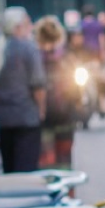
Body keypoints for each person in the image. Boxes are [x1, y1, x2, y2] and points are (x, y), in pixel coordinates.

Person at [0, 7, 46, 173]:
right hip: (27, 119)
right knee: (26, 171)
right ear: (17, 26)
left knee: (10, 170)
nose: (30, 27)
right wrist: (41, 110)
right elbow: (38, 85)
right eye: (27, 23)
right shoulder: (28, 48)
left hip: (4, 120)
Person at [33, 16, 79, 169]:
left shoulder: (35, 58)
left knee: (47, 161)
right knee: (65, 160)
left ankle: (49, 191)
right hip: (65, 116)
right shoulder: (66, 57)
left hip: (42, 117)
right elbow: (77, 88)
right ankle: (66, 192)